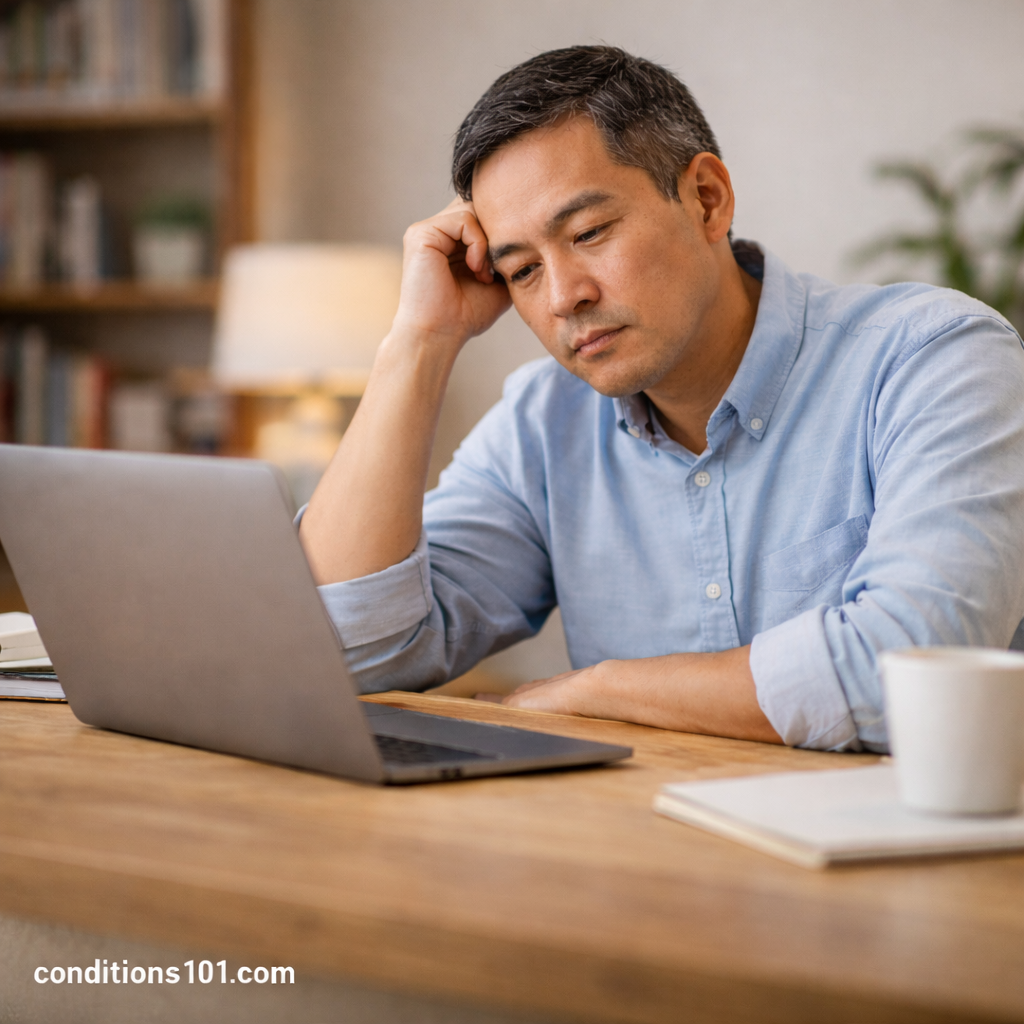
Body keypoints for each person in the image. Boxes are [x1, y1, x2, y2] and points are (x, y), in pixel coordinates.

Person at [299, 46, 1024, 752]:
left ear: (707, 199)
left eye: (589, 233)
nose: (563, 297)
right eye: (520, 271)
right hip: (645, 859)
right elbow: (352, 652)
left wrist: (599, 689)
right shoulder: (543, 422)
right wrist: (419, 342)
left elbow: (913, 675)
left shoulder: (934, 356)